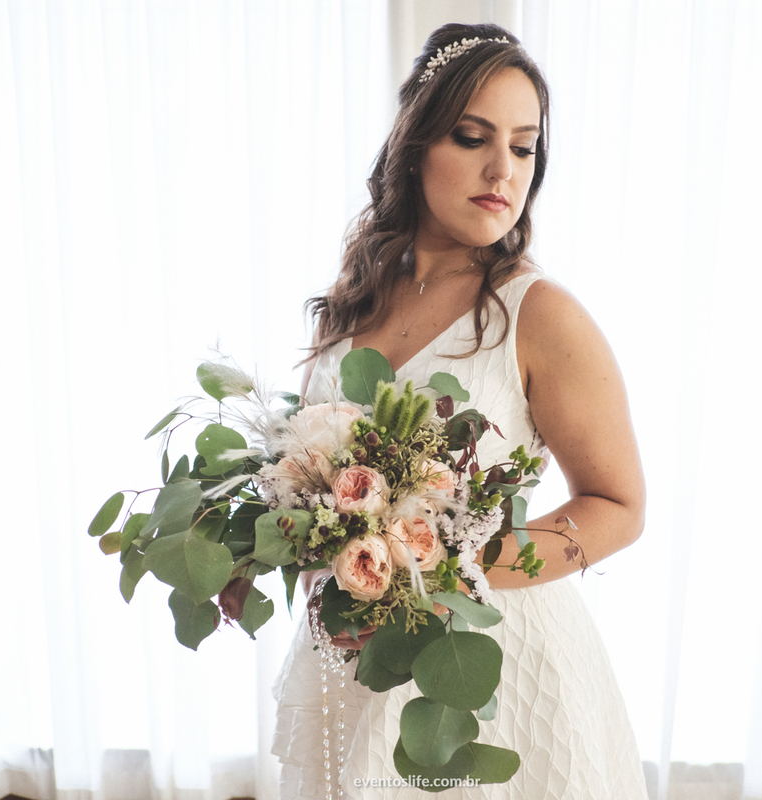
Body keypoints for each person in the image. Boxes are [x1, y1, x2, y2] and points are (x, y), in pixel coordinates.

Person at [272, 22, 649, 799]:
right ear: (414, 149)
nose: (501, 169)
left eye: (523, 147)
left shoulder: (539, 315)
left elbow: (620, 506)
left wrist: (454, 571)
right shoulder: (348, 308)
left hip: (498, 665)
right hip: (358, 664)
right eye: (473, 136)